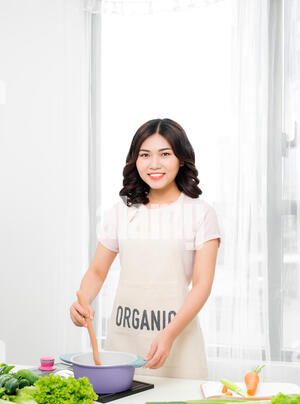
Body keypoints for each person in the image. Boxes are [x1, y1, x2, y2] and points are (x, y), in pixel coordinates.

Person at [70, 118, 221, 379]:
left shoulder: (200, 213)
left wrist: (169, 334)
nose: (154, 164)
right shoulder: (121, 212)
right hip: (124, 342)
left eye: (165, 154)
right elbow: (97, 270)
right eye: (145, 155)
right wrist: (81, 301)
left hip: (177, 342)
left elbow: (201, 286)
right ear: (135, 160)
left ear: (181, 159)